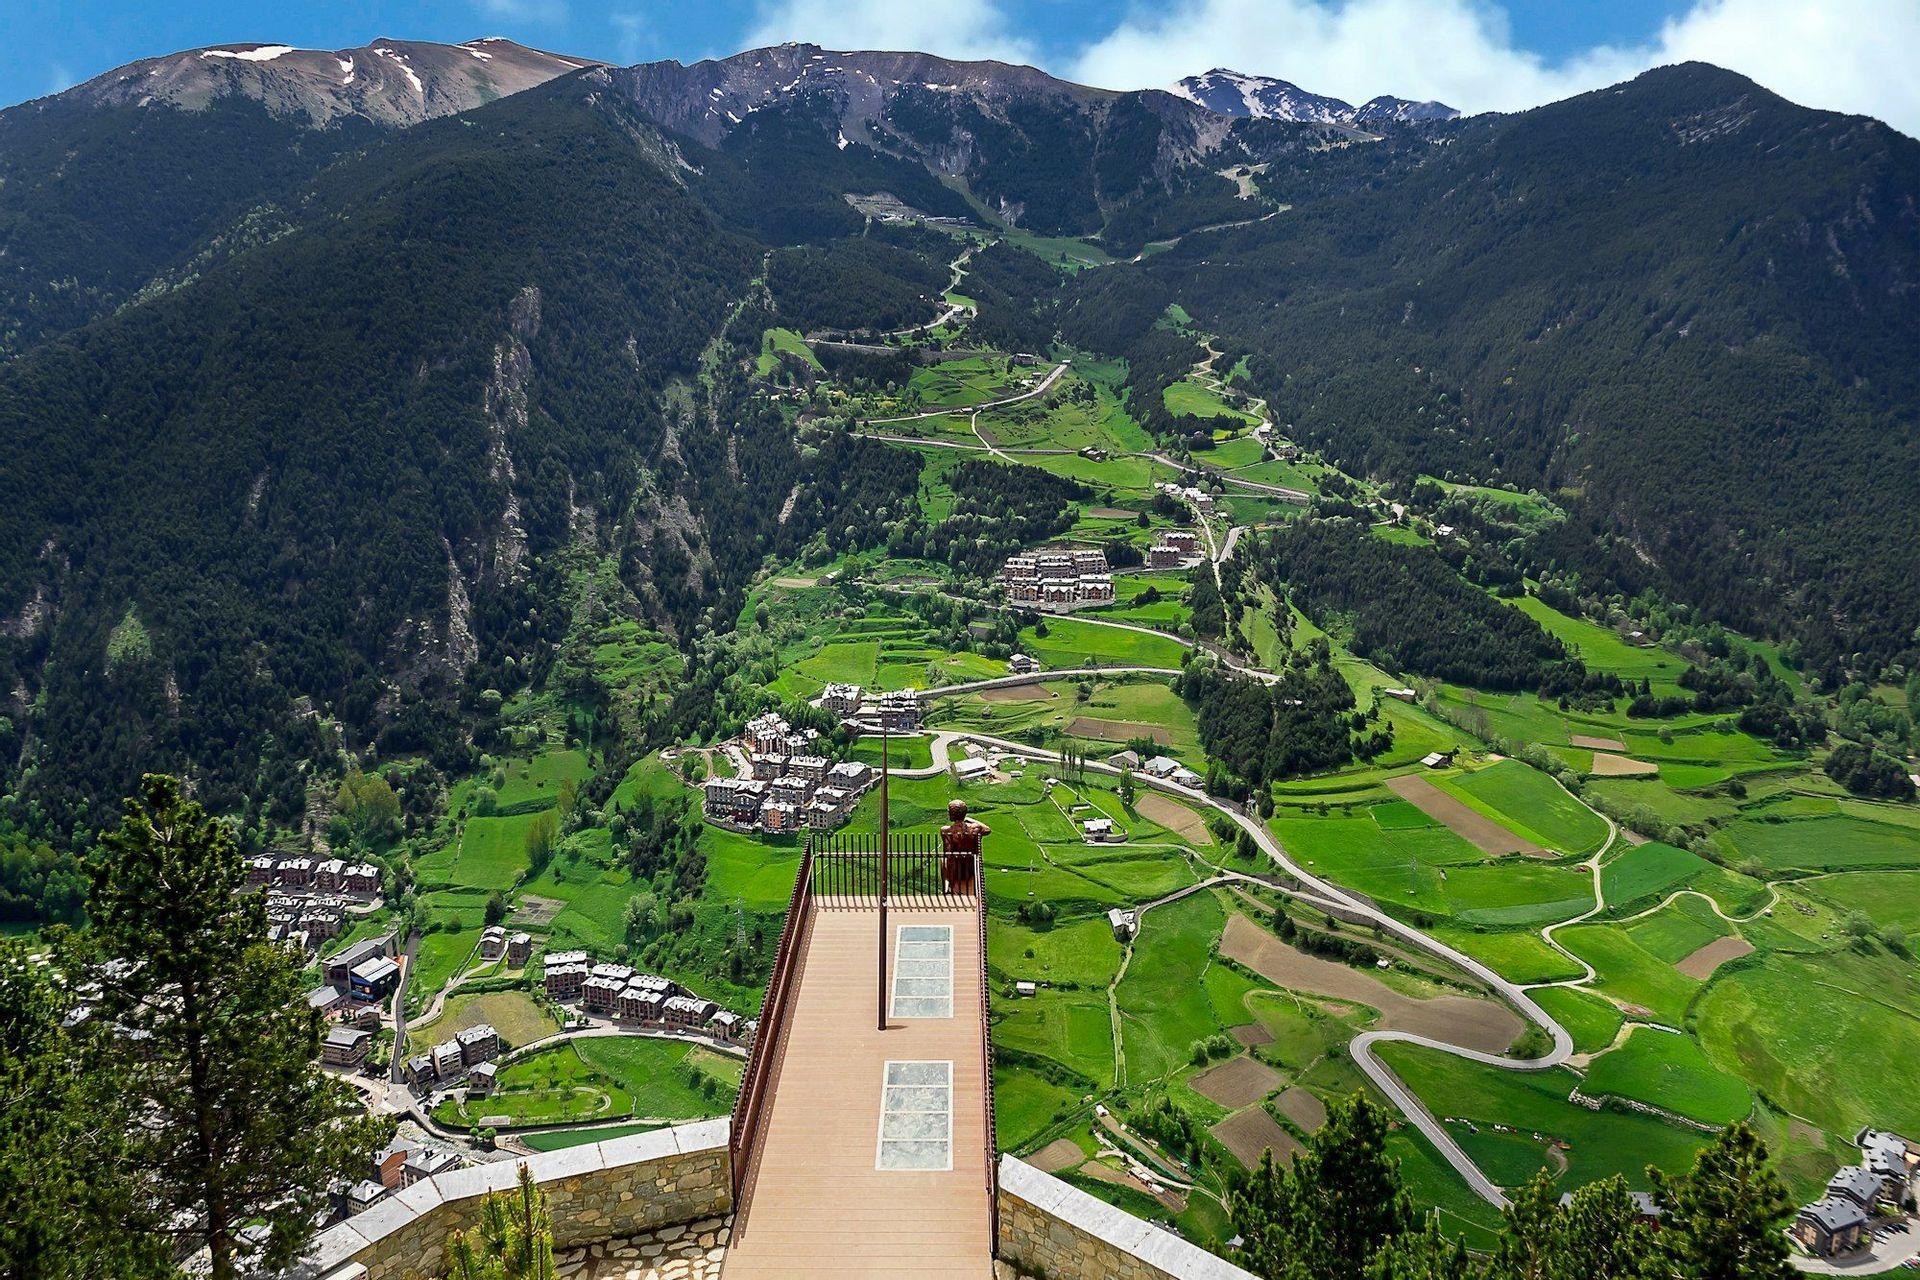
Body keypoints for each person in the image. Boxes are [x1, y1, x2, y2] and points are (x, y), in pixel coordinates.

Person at [939, 799, 989, 894]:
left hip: (955, 869)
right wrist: (968, 818)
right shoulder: (975, 828)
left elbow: (947, 854)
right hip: (970, 866)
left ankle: (947, 884)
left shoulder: (945, 830)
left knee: (943, 860)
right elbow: (987, 829)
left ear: (952, 814)